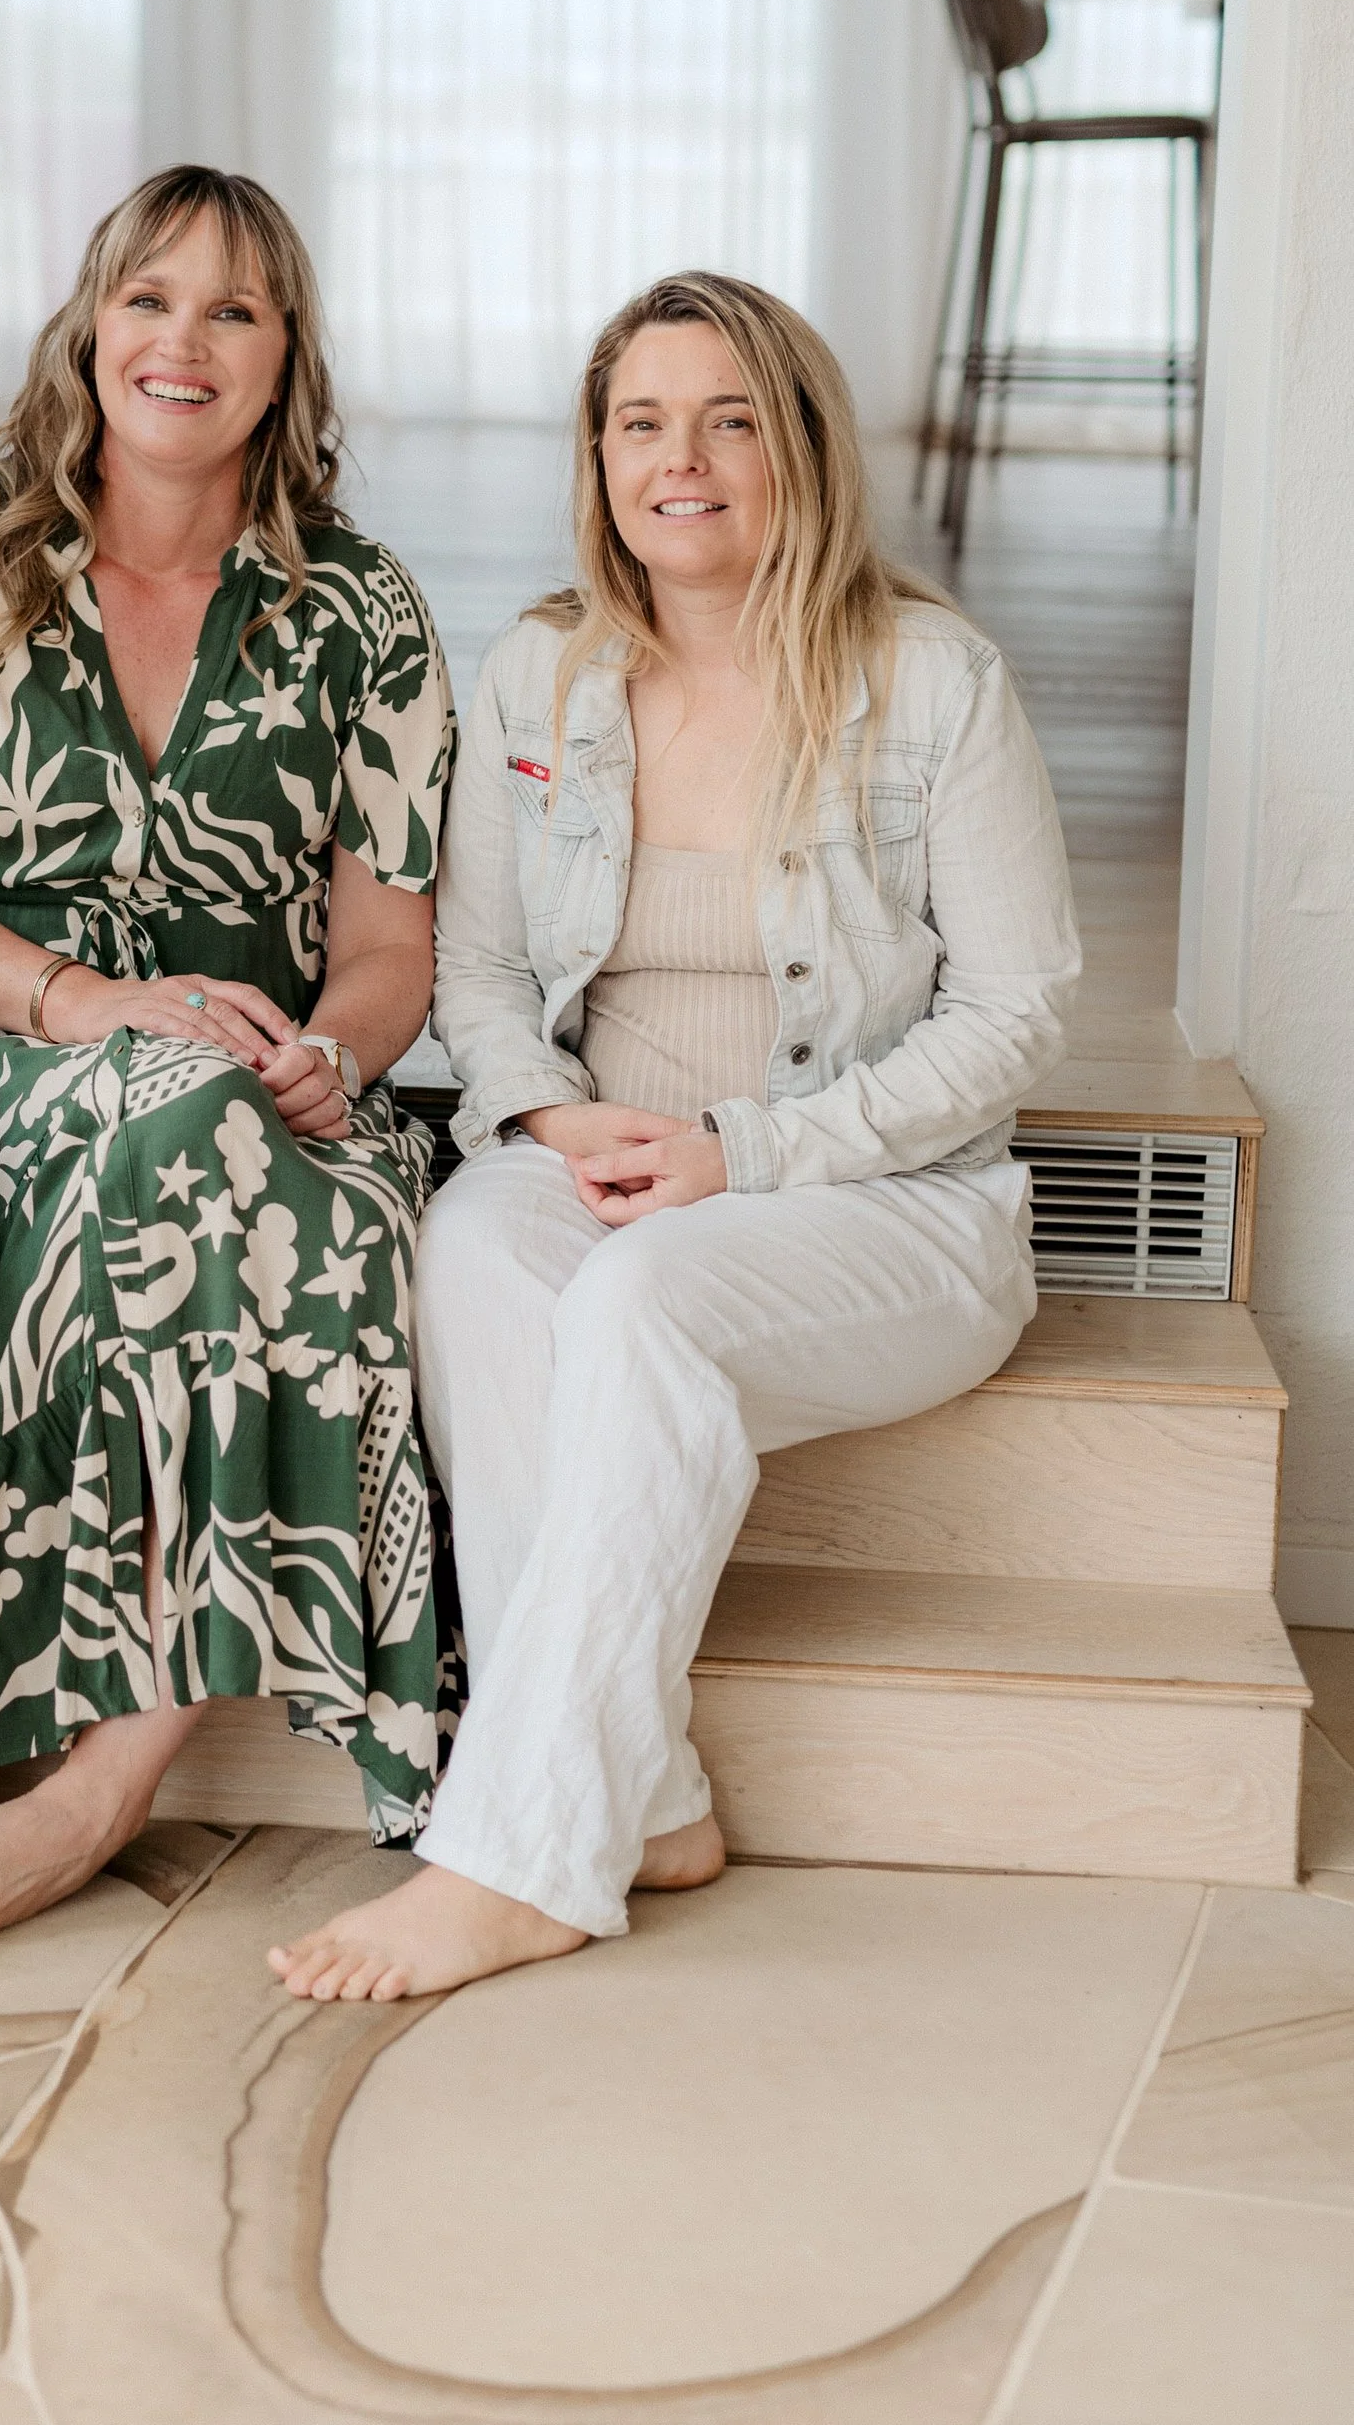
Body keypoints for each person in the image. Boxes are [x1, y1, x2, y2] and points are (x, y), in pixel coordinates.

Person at [273, 270, 1079, 2004]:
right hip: (603, 1160)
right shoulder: (545, 675)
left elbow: (1018, 1017)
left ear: (796, 446)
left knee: (647, 1306)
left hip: (883, 1200)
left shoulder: (935, 682)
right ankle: (648, 1799)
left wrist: (742, 1150)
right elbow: (475, 974)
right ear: (598, 454)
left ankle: (520, 1854)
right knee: (480, 1245)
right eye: (640, 420)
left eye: (728, 419)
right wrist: (553, 1115)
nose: (680, 458)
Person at [0, 167, 453, 1949]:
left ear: (286, 363)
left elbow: (390, 954)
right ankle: (53, 1748)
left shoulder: (366, 612)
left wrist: (334, 1056)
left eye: (234, 311)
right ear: (92, 325)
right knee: (208, 1157)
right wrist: (88, 1007)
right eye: (151, 297)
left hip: (270, 1089)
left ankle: (85, 1775)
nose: (184, 340)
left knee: (286, 1182)